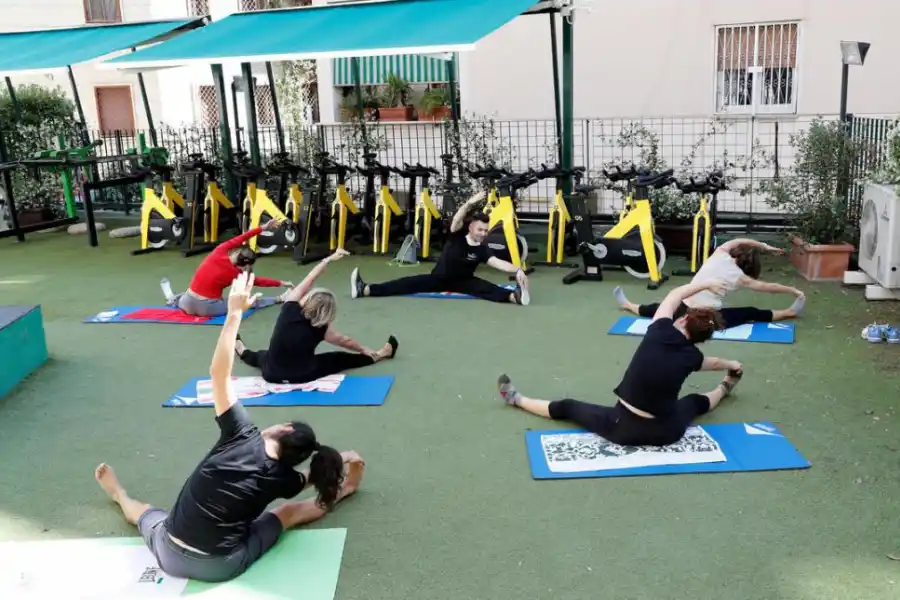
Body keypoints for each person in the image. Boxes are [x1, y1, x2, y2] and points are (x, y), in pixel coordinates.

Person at [94, 271, 366, 583]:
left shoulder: (240, 431)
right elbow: (313, 481)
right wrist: (343, 462)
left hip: (168, 550)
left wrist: (234, 313)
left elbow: (218, 374)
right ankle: (347, 491)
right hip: (220, 566)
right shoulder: (287, 480)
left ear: (285, 428)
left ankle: (118, 493)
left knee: (143, 511)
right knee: (286, 514)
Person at [495, 279, 744, 447]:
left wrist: (708, 284)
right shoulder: (693, 357)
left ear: (681, 321)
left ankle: (518, 399)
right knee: (693, 403)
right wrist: (732, 365)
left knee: (568, 406)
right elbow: (714, 362)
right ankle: (725, 387)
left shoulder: (659, 330)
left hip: (623, 428)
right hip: (666, 433)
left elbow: (675, 294)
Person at [236, 248, 398, 384]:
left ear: (309, 299)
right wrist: (363, 348)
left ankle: (241, 349)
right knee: (339, 359)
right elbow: (344, 341)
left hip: (271, 375)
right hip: (302, 376)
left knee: (262, 356)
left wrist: (328, 260)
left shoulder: (289, 307)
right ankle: (379, 355)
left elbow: (310, 279)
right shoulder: (322, 328)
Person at [349, 192, 531, 305]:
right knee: (404, 284)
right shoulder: (457, 235)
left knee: (487, 288)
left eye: (485, 230)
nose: (483, 233)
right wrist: (469, 203)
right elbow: (459, 218)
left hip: (464, 282)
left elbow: (499, 263)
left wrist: (518, 269)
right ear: (471, 228)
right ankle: (364, 289)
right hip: (438, 279)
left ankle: (514, 297)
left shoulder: (482, 249)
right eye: (480, 230)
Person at [613, 238, 806, 329]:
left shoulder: (719, 253)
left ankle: (628, 304)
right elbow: (768, 288)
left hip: (688, 310)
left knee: (658, 308)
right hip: (707, 318)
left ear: (737, 253)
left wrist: (763, 246)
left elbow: (738, 240)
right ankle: (789, 312)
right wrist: (792, 289)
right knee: (750, 312)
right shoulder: (742, 278)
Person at [160, 219, 293, 317]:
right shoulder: (237, 274)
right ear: (245, 265)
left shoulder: (219, 250)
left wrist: (262, 228)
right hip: (207, 309)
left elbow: (242, 237)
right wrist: (282, 283)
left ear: (236, 252)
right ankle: (280, 299)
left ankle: (173, 299)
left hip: (186, 303)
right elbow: (258, 281)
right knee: (245, 301)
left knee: (194, 289)